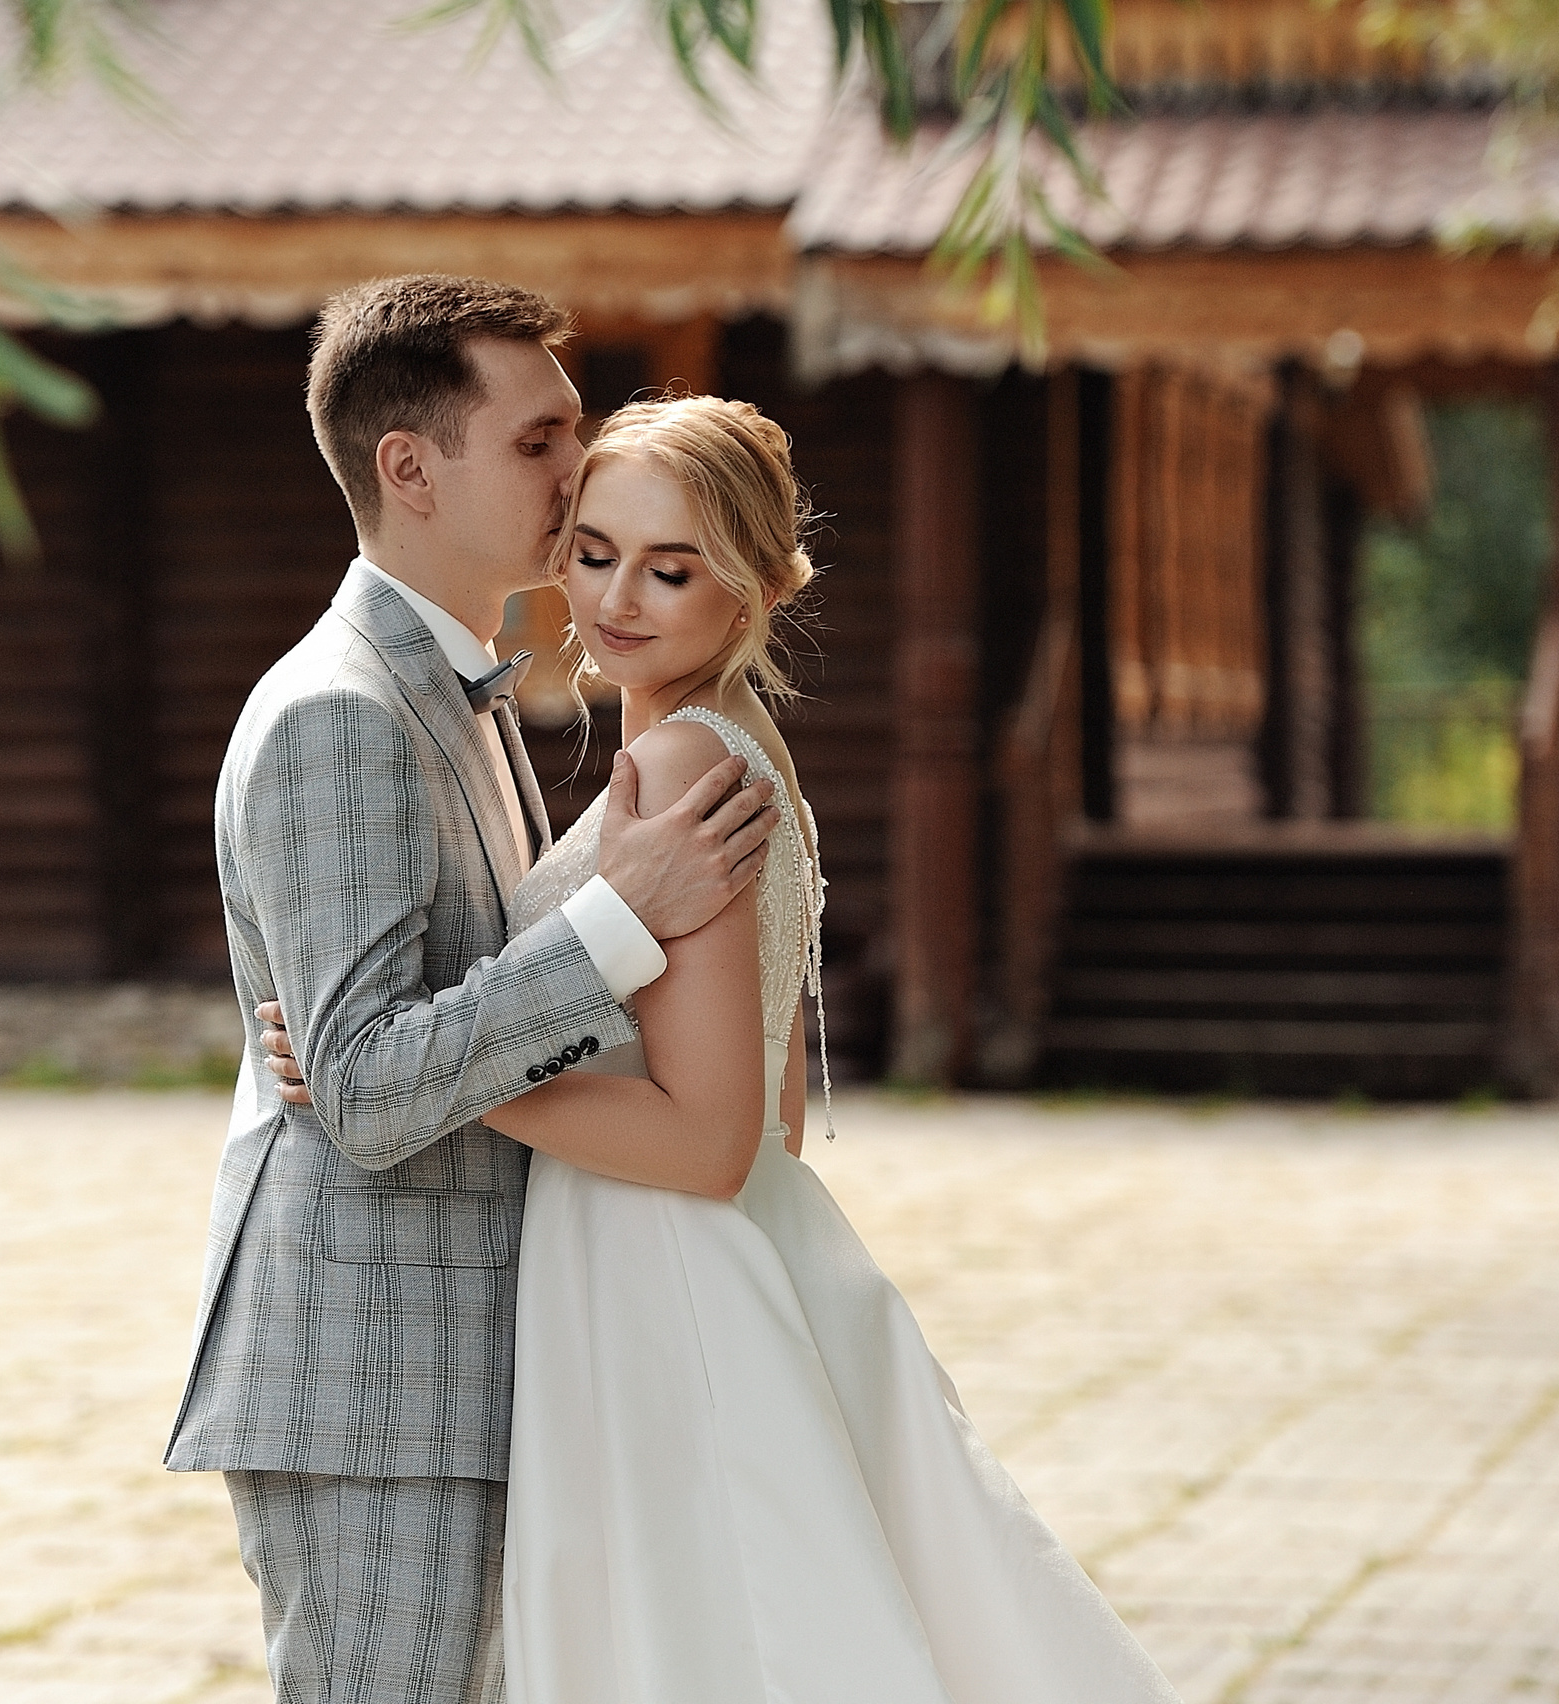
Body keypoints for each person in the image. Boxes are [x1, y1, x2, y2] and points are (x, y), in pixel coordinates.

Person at [265, 395, 1186, 1703]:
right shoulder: (729, 743)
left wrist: (431, 1084)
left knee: (705, 1640)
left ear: (752, 586)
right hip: (701, 1252)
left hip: (657, 1271)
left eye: (671, 567)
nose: (617, 596)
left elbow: (709, 1143)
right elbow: (783, 1115)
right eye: (592, 551)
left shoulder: (680, 770)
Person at [164, 275, 783, 1704]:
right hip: (375, 1383)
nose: (579, 470)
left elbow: (390, 1025)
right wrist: (622, 921)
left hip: (476, 1364)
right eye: (538, 441)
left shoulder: (464, 696)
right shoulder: (341, 711)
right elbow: (372, 1091)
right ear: (408, 467)